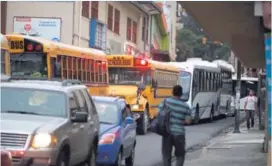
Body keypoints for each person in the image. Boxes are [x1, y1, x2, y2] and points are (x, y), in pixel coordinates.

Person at [158, 85, 192, 166]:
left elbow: (158, 113)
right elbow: (188, 121)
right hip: (179, 133)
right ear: (181, 94)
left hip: (167, 132)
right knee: (180, 155)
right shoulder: (186, 106)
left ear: (172, 92)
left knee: (166, 155)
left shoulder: (165, 101)